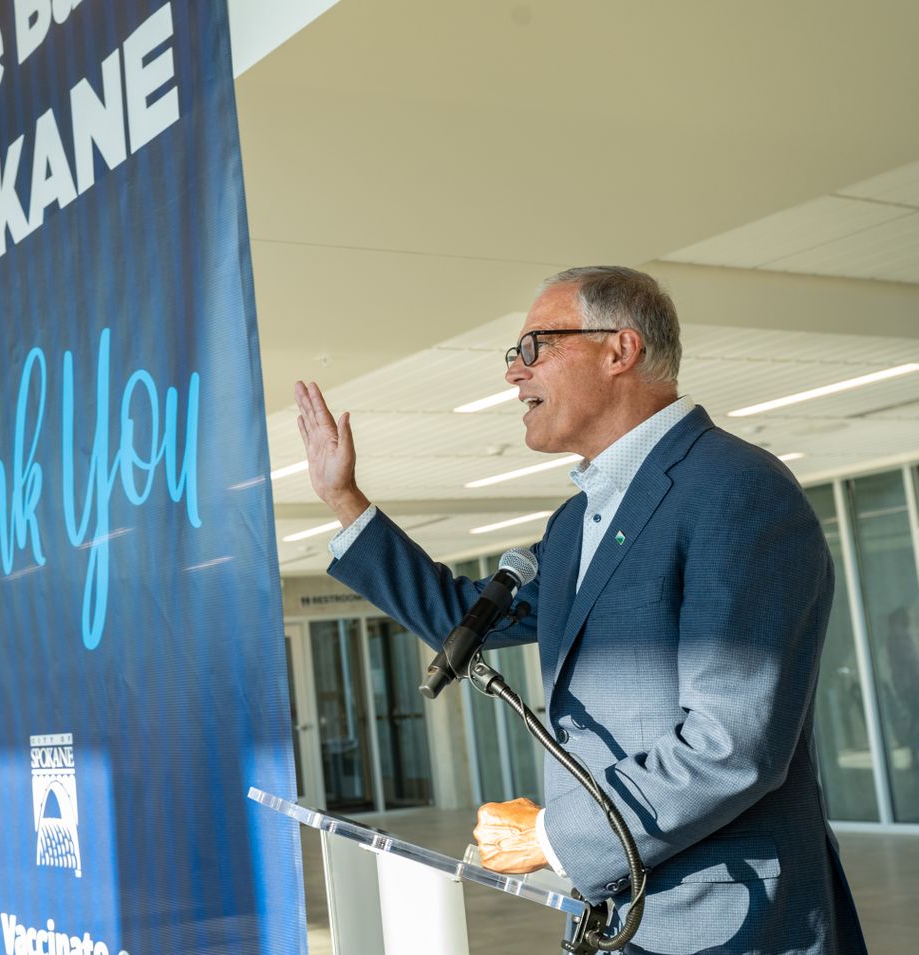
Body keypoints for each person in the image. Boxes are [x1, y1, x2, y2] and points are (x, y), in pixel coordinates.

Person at [294, 266, 866, 954]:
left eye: (534, 346)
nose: (514, 373)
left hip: (729, 918)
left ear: (618, 350)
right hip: (619, 918)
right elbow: (462, 618)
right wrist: (344, 501)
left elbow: (733, 742)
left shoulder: (738, 490)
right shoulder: (575, 524)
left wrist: (550, 836)